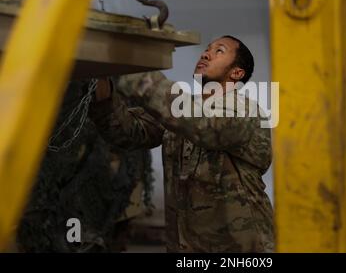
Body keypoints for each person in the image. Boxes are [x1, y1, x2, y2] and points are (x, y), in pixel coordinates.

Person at [89, 35, 273, 252]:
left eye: (219, 51)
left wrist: (132, 69)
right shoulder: (183, 111)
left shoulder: (245, 110)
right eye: (207, 49)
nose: (206, 54)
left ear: (237, 72)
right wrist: (102, 84)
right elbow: (128, 132)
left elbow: (204, 126)